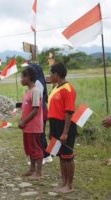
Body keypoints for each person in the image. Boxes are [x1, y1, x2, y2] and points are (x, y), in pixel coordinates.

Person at [48, 62, 77, 193]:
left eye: (50, 73)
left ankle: (69, 185)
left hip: (65, 126)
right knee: (60, 155)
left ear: (56, 74)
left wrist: (65, 132)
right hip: (55, 125)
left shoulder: (68, 88)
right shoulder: (56, 87)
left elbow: (69, 112)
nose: (49, 76)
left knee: (68, 156)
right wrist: (51, 129)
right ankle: (63, 182)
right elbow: (53, 109)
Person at [18, 67, 44, 180]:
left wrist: (24, 121)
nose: (21, 79)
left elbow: (35, 110)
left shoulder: (36, 91)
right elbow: (26, 108)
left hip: (34, 127)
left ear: (28, 77)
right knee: (29, 148)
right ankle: (32, 169)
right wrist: (22, 119)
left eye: (23, 77)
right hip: (27, 127)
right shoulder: (28, 91)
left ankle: (38, 172)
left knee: (36, 148)